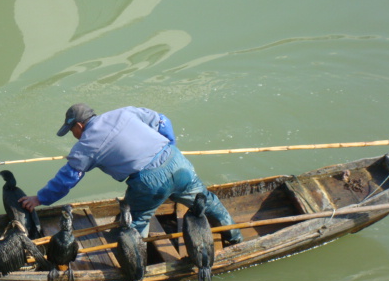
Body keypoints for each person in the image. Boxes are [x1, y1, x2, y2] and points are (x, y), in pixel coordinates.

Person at [19, 103, 243, 245]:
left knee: (135, 220)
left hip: (149, 182)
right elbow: (162, 120)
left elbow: (68, 179)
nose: (72, 135)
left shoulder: (86, 146)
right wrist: (170, 146)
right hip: (177, 161)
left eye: (71, 131)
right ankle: (235, 238)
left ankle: (136, 260)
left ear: (79, 125)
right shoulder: (124, 112)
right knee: (208, 201)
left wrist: (40, 199)